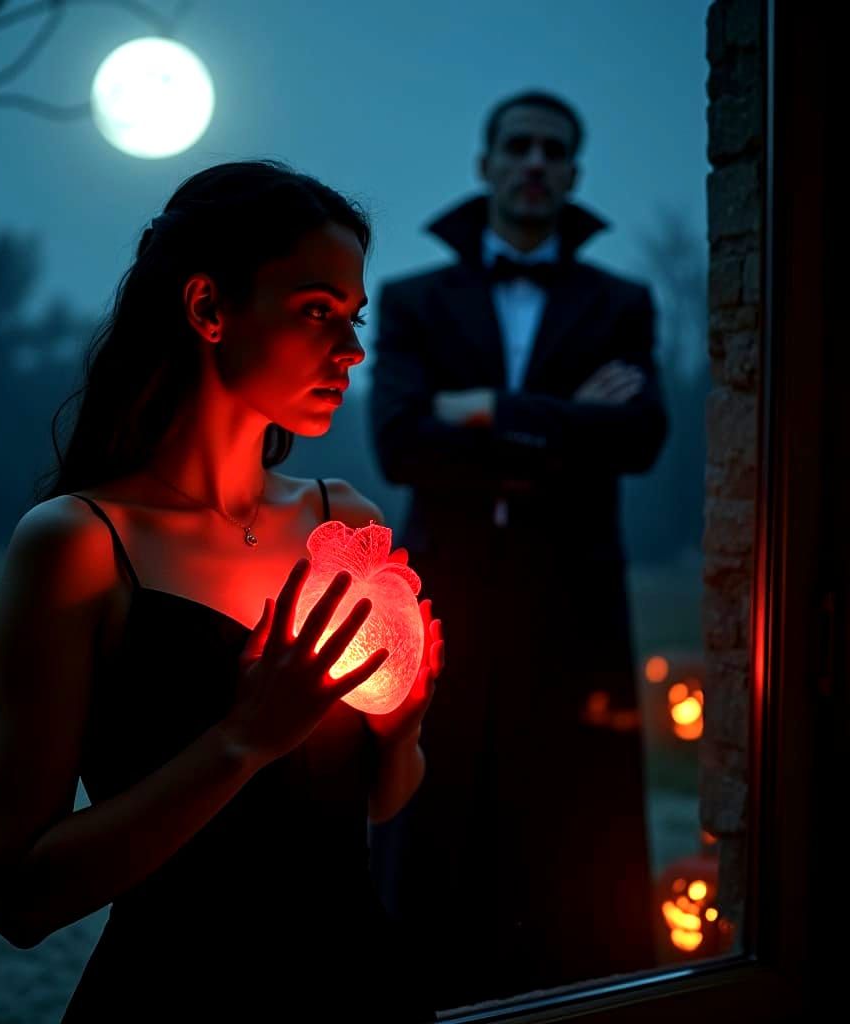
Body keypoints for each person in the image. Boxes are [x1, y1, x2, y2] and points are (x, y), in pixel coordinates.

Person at [0, 160, 444, 1023]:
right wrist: (243, 740)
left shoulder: (348, 525)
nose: (352, 350)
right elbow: (19, 899)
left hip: (360, 989)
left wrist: (402, 728)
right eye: (316, 312)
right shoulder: (80, 545)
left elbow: (376, 803)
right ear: (208, 309)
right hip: (178, 995)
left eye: (354, 318)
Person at [367, 91, 667, 1007]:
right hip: (446, 587)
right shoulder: (415, 299)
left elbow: (642, 438)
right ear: (486, 162)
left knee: (574, 800)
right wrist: (570, 424)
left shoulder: (622, 303)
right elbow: (401, 442)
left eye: (554, 150)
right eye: (518, 146)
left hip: (573, 591)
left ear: (573, 172)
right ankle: (415, 986)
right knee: (433, 787)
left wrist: (490, 410)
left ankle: (579, 989)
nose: (535, 162)